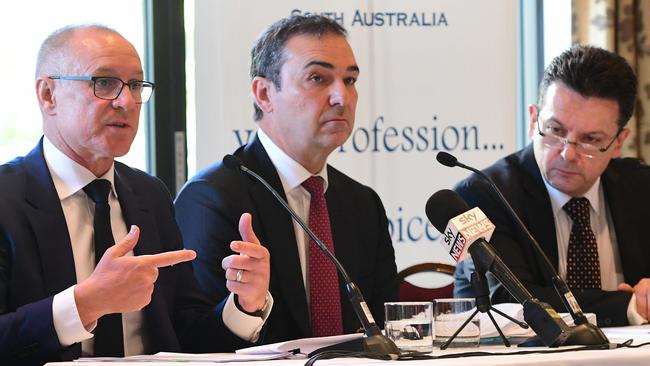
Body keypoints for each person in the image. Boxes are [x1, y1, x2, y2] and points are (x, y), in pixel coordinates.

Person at [0, 25, 272, 365]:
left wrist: (245, 304)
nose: (126, 101)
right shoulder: (7, 198)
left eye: (135, 85)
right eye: (105, 83)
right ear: (48, 95)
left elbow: (186, 338)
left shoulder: (149, 194)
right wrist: (85, 304)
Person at [175, 14, 398, 344]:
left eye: (350, 80)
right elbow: (193, 342)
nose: (342, 97)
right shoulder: (213, 198)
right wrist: (245, 307)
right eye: (318, 78)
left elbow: (383, 327)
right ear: (264, 93)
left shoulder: (362, 203)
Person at [453, 45, 650, 327]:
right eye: (556, 130)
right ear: (534, 120)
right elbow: (507, 302)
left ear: (618, 142)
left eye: (591, 139)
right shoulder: (481, 195)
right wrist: (631, 306)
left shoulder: (642, 189)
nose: (568, 154)